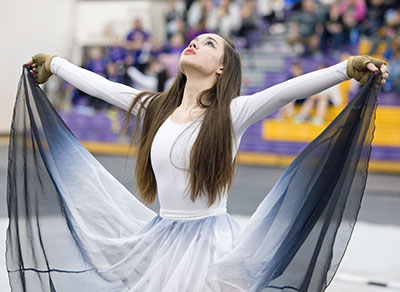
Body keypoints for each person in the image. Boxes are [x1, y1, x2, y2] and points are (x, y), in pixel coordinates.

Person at [24, 33, 387, 291]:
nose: (195, 42)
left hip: (210, 247)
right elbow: (101, 86)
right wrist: (55, 64)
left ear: (221, 69)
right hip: (161, 240)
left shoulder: (231, 113)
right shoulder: (157, 109)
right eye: (195, 39)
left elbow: (288, 90)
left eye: (209, 43)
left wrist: (347, 68)